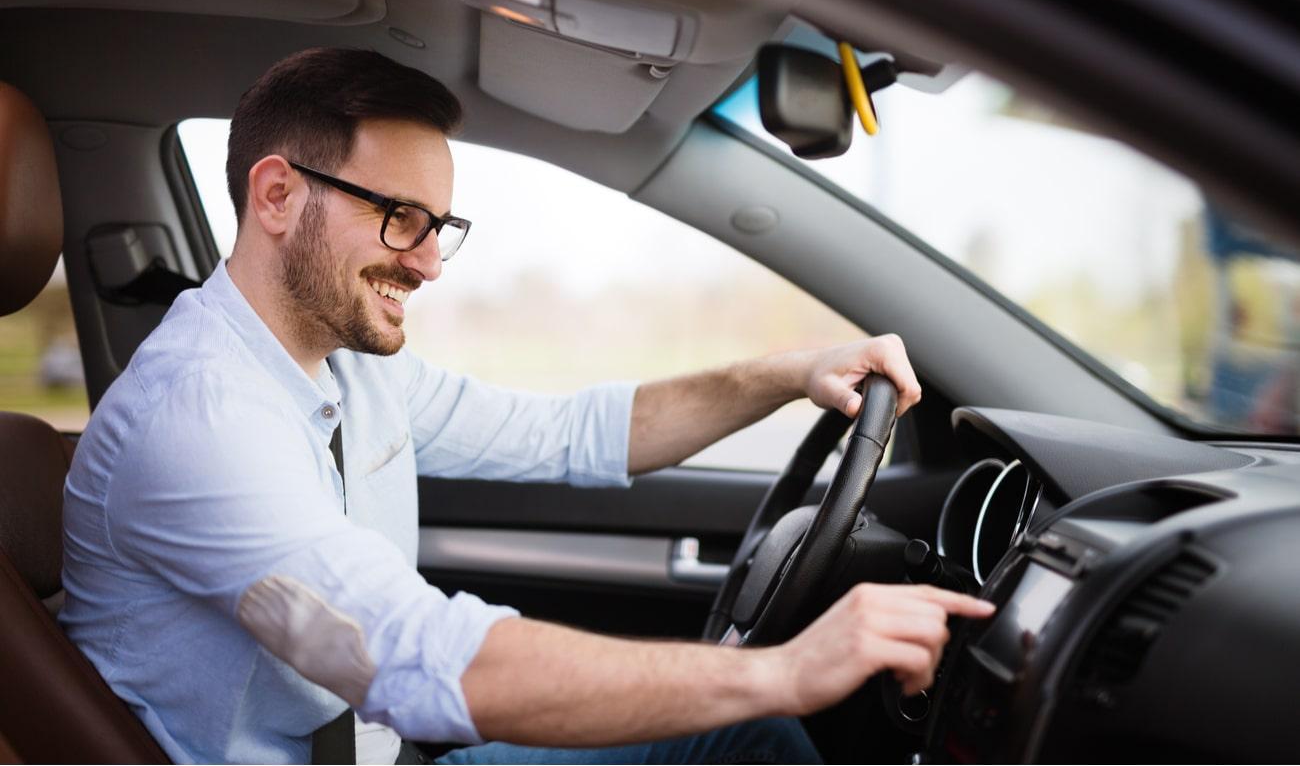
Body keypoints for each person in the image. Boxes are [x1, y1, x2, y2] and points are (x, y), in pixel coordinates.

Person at [60, 47, 993, 765]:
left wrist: (788, 375)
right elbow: (413, 653)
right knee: (761, 725)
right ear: (276, 195)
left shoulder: (350, 368)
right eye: (402, 218)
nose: (427, 262)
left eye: (441, 228)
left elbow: (575, 433)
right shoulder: (196, 419)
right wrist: (787, 667)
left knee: (754, 743)